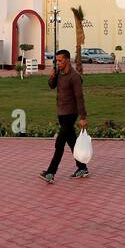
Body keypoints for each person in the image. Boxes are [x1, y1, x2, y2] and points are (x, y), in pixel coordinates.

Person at [40, 49, 89, 183]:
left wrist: (82, 117)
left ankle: (51, 172)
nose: (58, 63)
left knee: (60, 143)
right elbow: (51, 86)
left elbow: (79, 98)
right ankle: (82, 168)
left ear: (67, 60)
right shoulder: (60, 73)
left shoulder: (74, 76)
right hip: (61, 112)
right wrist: (52, 77)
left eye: (60, 60)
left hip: (70, 113)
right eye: (57, 61)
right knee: (72, 142)